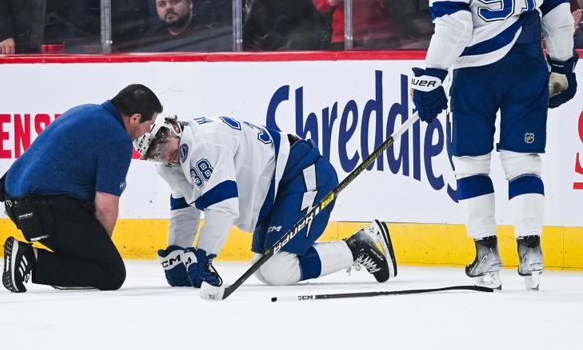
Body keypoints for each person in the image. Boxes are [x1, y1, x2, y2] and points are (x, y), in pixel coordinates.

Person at [410, 0, 577, 291]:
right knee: (523, 161)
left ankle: (486, 254)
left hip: (477, 72)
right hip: (527, 65)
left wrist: (431, 76)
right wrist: (563, 65)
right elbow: (557, 10)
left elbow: (455, 23)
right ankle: (531, 250)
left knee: (470, 161)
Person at [132, 114, 397, 289]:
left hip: (303, 176)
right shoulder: (171, 165)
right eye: (155, 152)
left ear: (174, 125)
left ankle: (358, 247)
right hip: (276, 193)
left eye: (163, 140)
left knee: (277, 268)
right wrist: (178, 250)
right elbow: (184, 208)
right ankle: (350, 247)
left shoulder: (204, 145)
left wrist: (203, 256)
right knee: (266, 270)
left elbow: (223, 207)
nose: (165, 153)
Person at [0, 84, 163, 293]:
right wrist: (96, 255)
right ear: (135, 118)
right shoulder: (118, 139)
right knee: (111, 273)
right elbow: (105, 207)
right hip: (43, 210)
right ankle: (29, 257)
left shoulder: (86, 110)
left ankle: (61, 269)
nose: (148, 131)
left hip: (16, 203)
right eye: (149, 124)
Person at [136, 0, 231, 51]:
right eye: (162, 4)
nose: (168, 7)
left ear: (189, 3)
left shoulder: (208, 31)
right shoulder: (151, 38)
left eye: (174, 1)